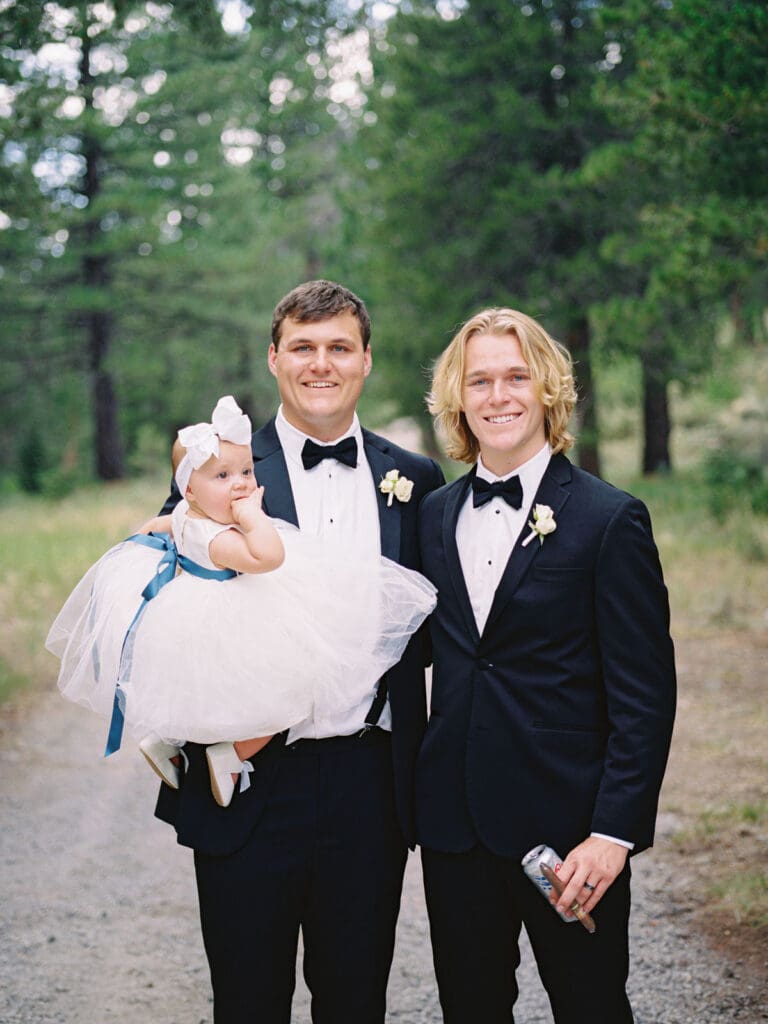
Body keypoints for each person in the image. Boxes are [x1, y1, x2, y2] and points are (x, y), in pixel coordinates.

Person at [154, 280, 445, 1023]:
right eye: (305, 348)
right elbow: (165, 599)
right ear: (274, 358)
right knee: (247, 1002)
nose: (323, 364)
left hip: (369, 785)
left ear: (367, 361)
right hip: (249, 777)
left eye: (340, 348)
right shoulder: (222, 476)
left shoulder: (414, 481)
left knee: (355, 1001)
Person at [415, 307, 676, 1024]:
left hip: (568, 836)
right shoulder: (433, 518)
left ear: (548, 390)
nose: (498, 396)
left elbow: (645, 695)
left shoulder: (607, 518)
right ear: (457, 398)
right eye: (480, 382)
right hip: (456, 830)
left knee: (590, 1006)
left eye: (515, 378)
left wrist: (613, 834)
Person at [46, 396, 436, 812]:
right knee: (285, 692)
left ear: (365, 358)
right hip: (233, 627)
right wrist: (252, 516)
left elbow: (159, 526)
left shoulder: (416, 472)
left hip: (369, 770)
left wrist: (147, 535)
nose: (241, 482)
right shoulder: (219, 530)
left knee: (202, 692)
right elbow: (267, 556)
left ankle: (165, 740)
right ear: (189, 489)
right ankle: (229, 755)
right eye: (225, 475)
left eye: (247, 472)